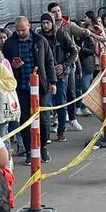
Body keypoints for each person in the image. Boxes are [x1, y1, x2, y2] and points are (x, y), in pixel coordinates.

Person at [2, 17, 56, 164]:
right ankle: (29, 151)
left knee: (44, 119)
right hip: (21, 88)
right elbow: (3, 66)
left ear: (29, 26)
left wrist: (53, 82)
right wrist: (12, 65)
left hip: (41, 86)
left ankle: (43, 147)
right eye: (17, 30)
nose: (20, 33)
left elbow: (49, 61)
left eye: (23, 30)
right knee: (25, 120)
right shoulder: (9, 44)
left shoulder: (40, 40)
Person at [37, 13, 79, 141]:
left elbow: (74, 51)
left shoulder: (61, 34)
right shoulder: (39, 37)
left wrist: (64, 65)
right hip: (45, 76)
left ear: (52, 23)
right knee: (46, 105)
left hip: (60, 75)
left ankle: (61, 131)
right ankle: (47, 134)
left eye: (47, 23)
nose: (45, 25)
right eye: (43, 23)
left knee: (61, 103)